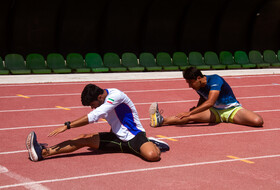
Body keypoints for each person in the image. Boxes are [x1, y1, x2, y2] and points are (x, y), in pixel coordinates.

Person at [26, 84, 169, 162]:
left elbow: (94, 115)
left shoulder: (116, 95)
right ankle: (43, 152)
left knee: (152, 156)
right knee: (83, 139)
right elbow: (104, 115)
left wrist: (68, 125)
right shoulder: (101, 101)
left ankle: (152, 143)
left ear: (100, 97)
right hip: (117, 138)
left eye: (92, 104)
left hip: (135, 136)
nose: (92, 107)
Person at [149, 67, 264, 128]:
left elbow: (210, 102)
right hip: (215, 112)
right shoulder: (198, 86)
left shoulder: (215, 80)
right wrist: (195, 111)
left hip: (232, 110)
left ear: (199, 78)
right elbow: (203, 98)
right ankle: (161, 120)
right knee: (190, 118)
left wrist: (191, 112)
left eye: (190, 82)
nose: (189, 86)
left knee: (257, 121)